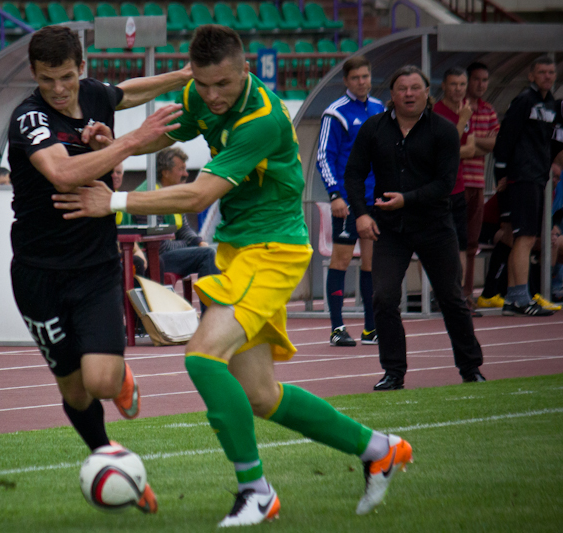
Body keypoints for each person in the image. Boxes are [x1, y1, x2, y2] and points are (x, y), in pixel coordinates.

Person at [53, 25, 413, 527]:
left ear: (245, 69)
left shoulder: (262, 119)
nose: (212, 96)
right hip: (238, 250)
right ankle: (379, 449)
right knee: (261, 395)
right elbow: (168, 133)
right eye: (203, 85)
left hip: (272, 250)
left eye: (223, 84)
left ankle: (256, 492)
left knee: (202, 357)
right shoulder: (200, 93)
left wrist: (112, 200)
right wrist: (117, 145)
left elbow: (199, 195)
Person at [7, 25, 191, 514]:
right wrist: (132, 142)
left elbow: (126, 91)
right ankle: (112, 460)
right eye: (47, 79)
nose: (58, 88)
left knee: (103, 382)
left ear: (81, 68)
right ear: (34, 73)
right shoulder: (29, 118)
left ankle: (121, 380)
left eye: (67, 77)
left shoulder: (93, 95)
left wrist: (184, 75)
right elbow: (63, 173)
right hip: (38, 275)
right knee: (73, 388)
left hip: (94, 268)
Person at [343, 65, 486, 391]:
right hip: (389, 228)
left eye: (415, 88)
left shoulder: (444, 131)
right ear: (392, 95)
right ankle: (393, 373)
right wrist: (362, 215)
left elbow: (445, 183)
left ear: (427, 93)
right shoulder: (374, 128)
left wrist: (406, 199)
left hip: (435, 225)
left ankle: (470, 368)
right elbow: (353, 174)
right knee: (384, 298)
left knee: (451, 298)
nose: (409, 94)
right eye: (402, 89)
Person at [316, 55, 384, 347]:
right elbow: (324, 157)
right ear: (345, 81)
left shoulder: (380, 108)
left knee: (371, 263)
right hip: (347, 201)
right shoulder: (335, 112)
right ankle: (337, 328)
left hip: (375, 200)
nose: (361, 82)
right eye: (355, 78)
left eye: (365, 76)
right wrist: (334, 194)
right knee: (341, 260)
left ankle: (370, 328)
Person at [492, 56, 557, 316]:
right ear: (531, 76)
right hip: (522, 177)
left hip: (537, 176)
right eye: (542, 72)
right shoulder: (524, 101)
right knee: (525, 238)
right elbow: (506, 137)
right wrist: (501, 172)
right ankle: (520, 297)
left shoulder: (550, 103)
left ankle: (513, 297)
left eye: (551, 72)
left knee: (523, 238)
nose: (547, 76)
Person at [126, 146, 221, 312]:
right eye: (181, 169)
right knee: (207, 255)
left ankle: (208, 312)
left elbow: (184, 229)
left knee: (207, 251)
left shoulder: (171, 193)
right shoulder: (148, 196)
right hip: (152, 258)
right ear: (165, 172)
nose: (186, 174)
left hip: (165, 253)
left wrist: (198, 242)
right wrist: (191, 245)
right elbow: (160, 245)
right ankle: (212, 314)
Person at [432, 67, 479, 316]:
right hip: (439, 191)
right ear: (444, 86)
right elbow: (443, 150)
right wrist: (461, 122)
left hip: (459, 187)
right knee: (438, 244)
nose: (459, 89)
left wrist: (454, 148)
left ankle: (458, 295)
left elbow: (470, 149)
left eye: (462, 84)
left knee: (461, 243)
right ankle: (437, 295)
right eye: (454, 84)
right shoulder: (437, 113)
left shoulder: (465, 111)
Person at [461, 62, 500, 308]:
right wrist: (478, 143)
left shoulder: (489, 110)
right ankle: (452, 293)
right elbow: (454, 143)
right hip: (457, 183)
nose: (481, 84)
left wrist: (471, 143)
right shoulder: (458, 107)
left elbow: (496, 143)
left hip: (477, 183)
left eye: (485, 80)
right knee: (454, 241)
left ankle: (466, 293)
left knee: (471, 242)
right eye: (476, 79)